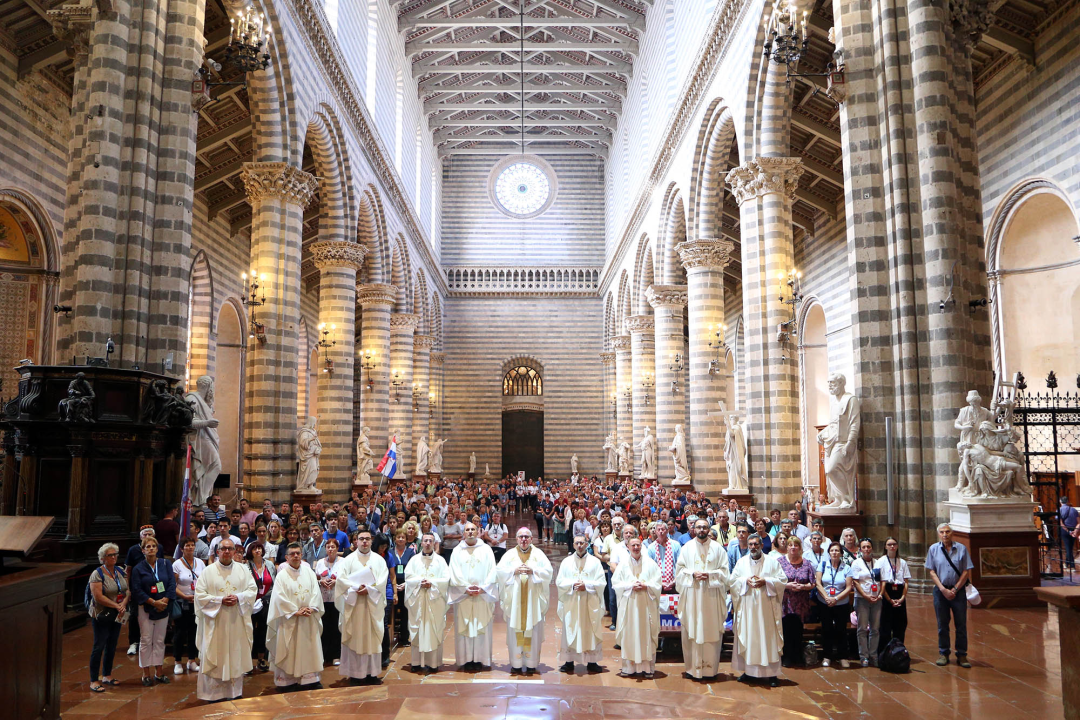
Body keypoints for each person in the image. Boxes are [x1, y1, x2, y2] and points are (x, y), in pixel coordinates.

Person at [194, 538, 258, 701]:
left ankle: (234, 692)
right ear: (217, 551)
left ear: (235, 551)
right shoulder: (208, 572)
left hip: (236, 621)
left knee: (235, 654)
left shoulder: (243, 569)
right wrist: (219, 600)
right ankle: (213, 694)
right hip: (215, 623)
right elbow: (199, 596)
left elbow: (252, 590)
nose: (228, 552)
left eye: (231, 549)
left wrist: (238, 597)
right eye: (224, 549)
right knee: (215, 653)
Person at [675, 518, 730, 680]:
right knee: (692, 630)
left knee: (710, 631)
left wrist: (710, 575)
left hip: (711, 598)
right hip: (692, 597)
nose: (701, 530)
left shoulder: (718, 549)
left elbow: (725, 573)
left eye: (704, 527)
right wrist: (692, 574)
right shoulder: (686, 548)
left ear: (709, 529)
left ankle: (710, 670)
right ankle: (693, 669)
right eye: (698, 527)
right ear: (693, 529)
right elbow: (679, 572)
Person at [730, 534, 786, 686]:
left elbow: (782, 581)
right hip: (748, 608)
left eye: (756, 544)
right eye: (750, 545)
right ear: (747, 546)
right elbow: (733, 581)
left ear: (761, 545)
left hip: (766, 609)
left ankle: (772, 674)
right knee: (750, 638)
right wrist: (745, 581)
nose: (753, 547)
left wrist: (766, 581)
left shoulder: (772, 562)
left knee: (768, 639)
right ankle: (749, 672)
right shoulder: (741, 563)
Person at [497, 526, 553, 675]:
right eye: (521, 537)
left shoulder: (539, 554)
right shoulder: (509, 555)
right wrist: (513, 571)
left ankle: (531, 663)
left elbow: (548, 572)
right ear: (516, 539)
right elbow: (500, 572)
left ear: (531, 539)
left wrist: (533, 571)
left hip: (532, 601)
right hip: (515, 601)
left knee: (532, 628)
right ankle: (516, 663)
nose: (523, 539)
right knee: (516, 628)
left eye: (526, 537)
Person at [335, 529, 389, 684]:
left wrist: (370, 590)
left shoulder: (379, 560)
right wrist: (356, 588)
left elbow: (382, 581)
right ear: (355, 541)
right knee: (355, 638)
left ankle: (372, 674)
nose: (364, 542)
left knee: (371, 639)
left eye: (367, 539)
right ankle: (355, 674)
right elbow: (341, 581)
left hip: (372, 606)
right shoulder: (348, 560)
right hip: (355, 606)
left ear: (371, 541)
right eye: (361, 539)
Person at [448, 522, 499, 670]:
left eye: (473, 529)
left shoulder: (486, 550)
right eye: (467, 530)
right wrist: (465, 588)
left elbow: (492, 570)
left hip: (481, 596)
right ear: (463, 533)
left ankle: (480, 659)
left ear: (478, 532)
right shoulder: (457, 551)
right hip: (464, 596)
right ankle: (466, 659)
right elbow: (454, 572)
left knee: (480, 626)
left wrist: (483, 588)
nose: (470, 532)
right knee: (465, 627)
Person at [611, 536, 661, 679]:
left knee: (646, 634)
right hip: (629, 606)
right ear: (628, 547)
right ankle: (629, 668)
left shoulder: (651, 564)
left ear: (641, 546)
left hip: (646, 606)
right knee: (630, 634)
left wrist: (647, 586)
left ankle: (647, 668)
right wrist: (630, 586)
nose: (636, 548)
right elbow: (616, 584)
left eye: (638, 545)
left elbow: (658, 583)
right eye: (633, 545)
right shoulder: (622, 565)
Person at [925, 523, 973, 667]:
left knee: (961, 624)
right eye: (942, 532)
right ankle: (944, 653)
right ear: (938, 534)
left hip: (958, 592)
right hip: (941, 592)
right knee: (942, 624)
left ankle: (962, 654)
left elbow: (966, 570)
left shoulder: (961, 549)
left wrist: (956, 588)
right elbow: (932, 571)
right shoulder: (933, 549)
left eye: (947, 532)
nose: (945, 534)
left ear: (952, 533)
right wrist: (943, 589)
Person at [556, 534, 606, 674]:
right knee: (571, 628)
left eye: (582, 543)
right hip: (572, 603)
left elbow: (602, 582)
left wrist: (587, 585)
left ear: (587, 544)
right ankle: (569, 661)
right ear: (573, 545)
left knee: (589, 629)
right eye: (577, 543)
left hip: (589, 603)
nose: (579, 545)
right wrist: (573, 585)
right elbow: (559, 582)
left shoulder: (595, 562)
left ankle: (592, 661)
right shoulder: (566, 562)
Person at [131, 535, 175, 686]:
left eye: (153, 546)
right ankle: (145, 673)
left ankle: (159, 672)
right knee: (146, 640)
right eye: (147, 547)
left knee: (159, 640)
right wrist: (153, 602)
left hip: (163, 605)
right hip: (146, 607)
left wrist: (165, 600)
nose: (151, 549)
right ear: (143, 550)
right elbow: (136, 590)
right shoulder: (138, 568)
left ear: (157, 549)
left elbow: (171, 584)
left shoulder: (165, 564)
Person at [404, 533, 450, 673]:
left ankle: (433, 663)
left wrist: (432, 583)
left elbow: (446, 579)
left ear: (434, 543)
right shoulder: (414, 560)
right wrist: (419, 582)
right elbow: (408, 577)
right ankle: (416, 662)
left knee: (433, 629)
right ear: (421, 543)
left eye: (431, 541)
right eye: (425, 541)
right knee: (417, 629)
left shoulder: (441, 561)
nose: (428, 543)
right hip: (418, 601)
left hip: (434, 601)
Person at [88, 543, 128, 693]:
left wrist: (123, 603)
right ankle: (93, 680)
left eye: (115, 554)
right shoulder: (97, 573)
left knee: (112, 645)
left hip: (118, 613)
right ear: (103, 558)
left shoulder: (120, 570)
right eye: (110, 555)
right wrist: (116, 605)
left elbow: (127, 590)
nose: (114, 557)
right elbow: (98, 596)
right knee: (99, 646)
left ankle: (107, 675)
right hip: (102, 614)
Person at [778, 536, 815, 668]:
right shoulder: (780, 562)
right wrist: (787, 585)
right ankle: (787, 656)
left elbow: (812, 583)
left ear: (800, 547)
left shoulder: (806, 563)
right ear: (787, 547)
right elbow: (774, 580)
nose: (793, 547)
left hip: (801, 602)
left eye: (796, 545)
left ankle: (798, 655)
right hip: (786, 602)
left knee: (798, 629)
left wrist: (803, 587)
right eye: (791, 545)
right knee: (786, 629)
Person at [815, 543, 853, 668]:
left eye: (837, 550)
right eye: (832, 550)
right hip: (824, 602)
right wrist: (826, 597)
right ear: (829, 552)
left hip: (841, 603)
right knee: (826, 629)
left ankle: (842, 656)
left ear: (841, 553)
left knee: (841, 629)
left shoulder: (846, 567)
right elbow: (818, 583)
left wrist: (836, 598)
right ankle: (827, 656)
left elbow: (848, 587)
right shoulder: (823, 565)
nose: (835, 553)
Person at [172, 537, 205, 675]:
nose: (190, 548)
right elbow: (172, 585)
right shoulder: (177, 564)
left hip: (197, 602)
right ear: (181, 549)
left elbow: (204, 581)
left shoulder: (200, 562)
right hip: (182, 601)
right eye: (187, 546)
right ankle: (178, 662)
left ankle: (192, 660)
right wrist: (184, 596)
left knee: (194, 632)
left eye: (192, 545)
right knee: (180, 633)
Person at [849, 538, 883, 667]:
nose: (867, 549)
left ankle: (873, 655)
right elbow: (855, 582)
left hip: (876, 598)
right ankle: (864, 656)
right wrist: (866, 595)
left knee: (875, 629)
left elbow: (882, 580)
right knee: (862, 628)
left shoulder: (878, 563)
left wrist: (879, 594)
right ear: (860, 549)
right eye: (864, 547)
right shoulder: (856, 563)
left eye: (868, 547)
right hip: (862, 599)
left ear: (872, 548)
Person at [124, 526, 154, 656]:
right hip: (137, 589)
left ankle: (150, 642)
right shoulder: (133, 550)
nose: (147, 537)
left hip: (153, 589)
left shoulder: (158, 548)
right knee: (134, 615)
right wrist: (127, 589)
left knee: (153, 615)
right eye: (145, 535)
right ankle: (133, 643)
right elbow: (128, 570)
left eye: (150, 534)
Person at [314, 538, 344, 665]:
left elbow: (348, 578)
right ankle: (325, 655)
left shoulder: (344, 562)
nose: (331, 549)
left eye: (333, 547)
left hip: (338, 599)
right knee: (325, 627)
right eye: (328, 547)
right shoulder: (320, 562)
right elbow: (314, 579)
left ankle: (336, 655)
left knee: (336, 628)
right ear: (325, 549)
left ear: (337, 549)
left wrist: (336, 581)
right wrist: (321, 581)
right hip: (324, 599)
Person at [246, 542, 275, 672]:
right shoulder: (245, 566)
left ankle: (261, 659)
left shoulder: (269, 564)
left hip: (265, 602)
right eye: (254, 549)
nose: (257, 551)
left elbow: (274, 583)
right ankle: (246, 662)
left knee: (263, 631)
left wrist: (268, 598)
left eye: (259, 548)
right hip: (250, 602)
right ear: (250, 551)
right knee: (248, 631)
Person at [876, 537, 910, 647]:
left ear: (897, 546)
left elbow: (906, 582)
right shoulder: (881, 561)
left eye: (894, 544)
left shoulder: (903, 562)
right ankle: (885, 652)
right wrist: (889, 599)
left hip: (899, 593)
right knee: (885, 625)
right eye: (889, 544)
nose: (892, 546)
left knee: (901, 624)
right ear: (885, 547)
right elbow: (881, 583)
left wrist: (902, 598)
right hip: (887, 593)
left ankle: (898, 650)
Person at [388, 529, 416, 647]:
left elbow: (414, 569)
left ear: (406, 540)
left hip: (406, 585)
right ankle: (390, 636)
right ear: (395, 539)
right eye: (398, 537)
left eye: (403, 537)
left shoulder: (411, 552)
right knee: (390, 611)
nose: (400, 539)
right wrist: (393, 585)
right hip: (392, 584)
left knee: (405, 612)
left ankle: (404, 637)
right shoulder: (389, 552)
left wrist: (406, 583)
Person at [1060, 496, 1078, 569]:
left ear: (1060, 501)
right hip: (1073, 529)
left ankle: (1072, 565)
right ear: (1067, 501)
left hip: (1064, 530)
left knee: (1068, 548)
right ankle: (1066, 564)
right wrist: (1075, 531)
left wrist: (1068, 531)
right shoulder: (1074, 510)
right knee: (1070, 547)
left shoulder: (1059, 510)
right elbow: (1079, 522)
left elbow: (1061, 523)